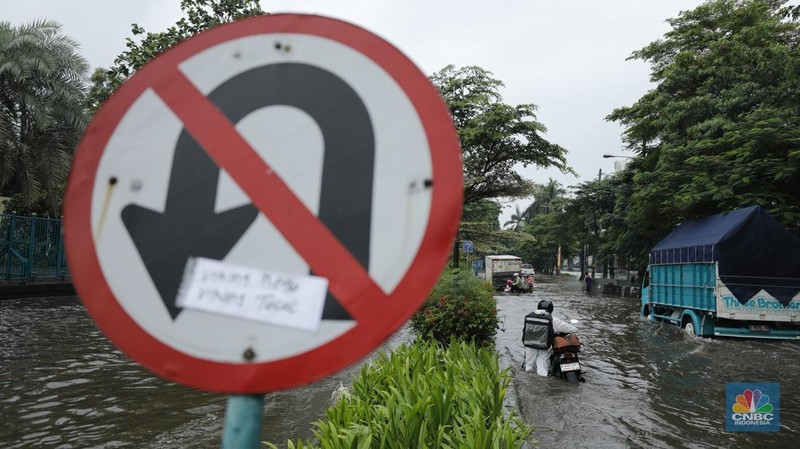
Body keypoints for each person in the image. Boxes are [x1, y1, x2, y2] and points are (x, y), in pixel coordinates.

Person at [522, 300, 578, 376]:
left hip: (530, 345)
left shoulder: (530, 316)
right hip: (544, 346)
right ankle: (542, 382)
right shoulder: (553, 320)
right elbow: (573, 329)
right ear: (551, 309)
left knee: (529, 365)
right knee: (542, 364)